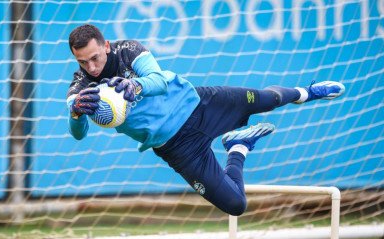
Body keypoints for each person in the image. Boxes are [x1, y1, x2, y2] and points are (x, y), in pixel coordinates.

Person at [66, 24, 345, 216]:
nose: (91, 67)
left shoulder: (127, 49)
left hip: (201, 105)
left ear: (106, 46)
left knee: (267, 100)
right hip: (178, 147)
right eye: (82, 62)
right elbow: (78, 134)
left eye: (94, 58)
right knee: (236, 204)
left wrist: (137, 86)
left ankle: (308, 92)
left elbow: (159, 80)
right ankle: (239, 146)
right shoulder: (81, 88)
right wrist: (76, 113)